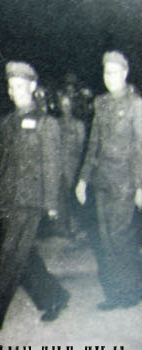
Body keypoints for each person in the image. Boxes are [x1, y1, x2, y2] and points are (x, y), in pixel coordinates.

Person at [0, 61, 71, 334]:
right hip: (6, 198)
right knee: (20, 255)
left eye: (19, 87)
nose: (13, 92)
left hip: (30, 201)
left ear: (32, 87)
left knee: (8, 259)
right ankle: (56, 296)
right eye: (11, 87)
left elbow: (51, 165)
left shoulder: (46, 123)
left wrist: (51, 203)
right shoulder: (8, 122)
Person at [75, 50, 142, 310]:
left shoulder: (136, 104)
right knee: (105, 238)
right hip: (102, 181)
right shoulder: (101, 103)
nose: (109, 77)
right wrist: (83, 179)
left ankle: (131, 290)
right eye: (106, 72)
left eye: (114, 72)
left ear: (125, 73)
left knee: (120, 236)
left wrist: (140, 186)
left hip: (125, 181)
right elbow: (93, 144)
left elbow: (140, 148)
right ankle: (117, 293)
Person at [56, 91, 86, 237]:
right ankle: (61, 227)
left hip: (72, 165)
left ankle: (75, 226)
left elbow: (80, 147)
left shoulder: (78, 125)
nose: (66, 107)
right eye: (63, 105)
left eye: (68, 104)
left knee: (72, 195)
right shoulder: (56, 123)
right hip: (58, 165)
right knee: (59, 195)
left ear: (72, 106)